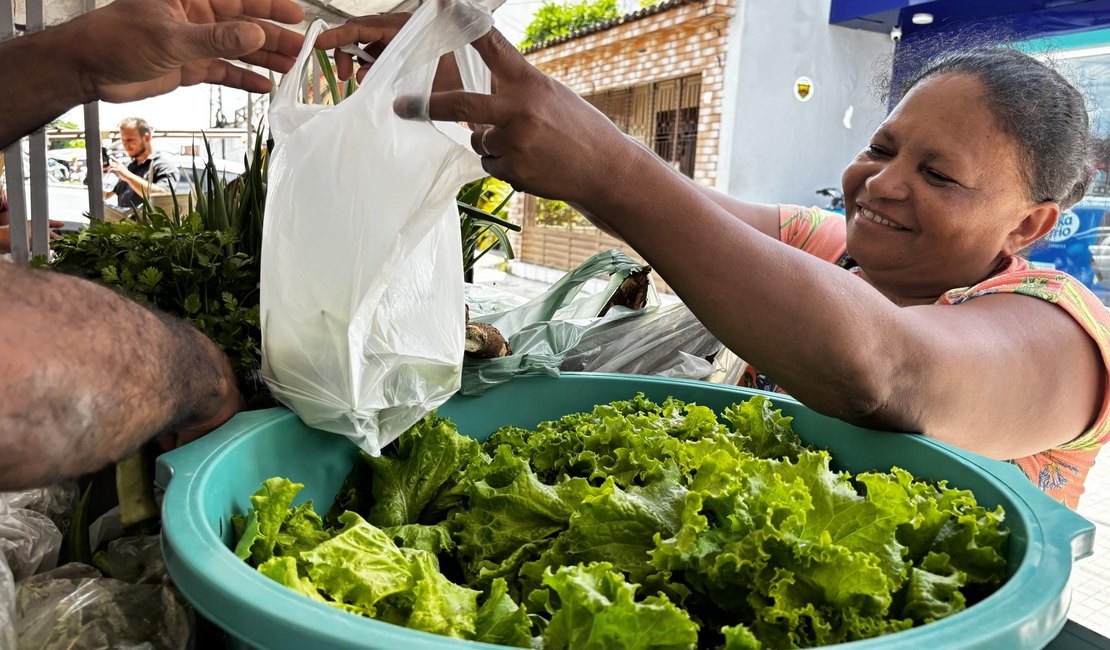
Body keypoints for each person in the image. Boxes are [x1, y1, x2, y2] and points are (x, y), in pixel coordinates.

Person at [318, 21, 1110, 507]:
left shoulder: (1064, 334)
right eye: (881, 148)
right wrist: (483, 95)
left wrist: (604, 168)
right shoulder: (834, 247)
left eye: (939, 176)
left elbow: (892, 372)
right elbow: (670, 202)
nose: (883, 185)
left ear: (1032, 222)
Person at [0, 0, 306, 490]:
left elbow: (166, 199)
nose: (126, 148)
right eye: (121, 142)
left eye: (129, 141)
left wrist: (78, 61)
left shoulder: (159, 163)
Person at [103, 117, 180, 210]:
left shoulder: (164, 166)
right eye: (123, 140)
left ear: (146, 138)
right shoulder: (128, 166)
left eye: (130, 140)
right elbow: (106, 195)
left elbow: (162, 196)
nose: (125, 146)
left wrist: (127, 176)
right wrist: (100, 175)